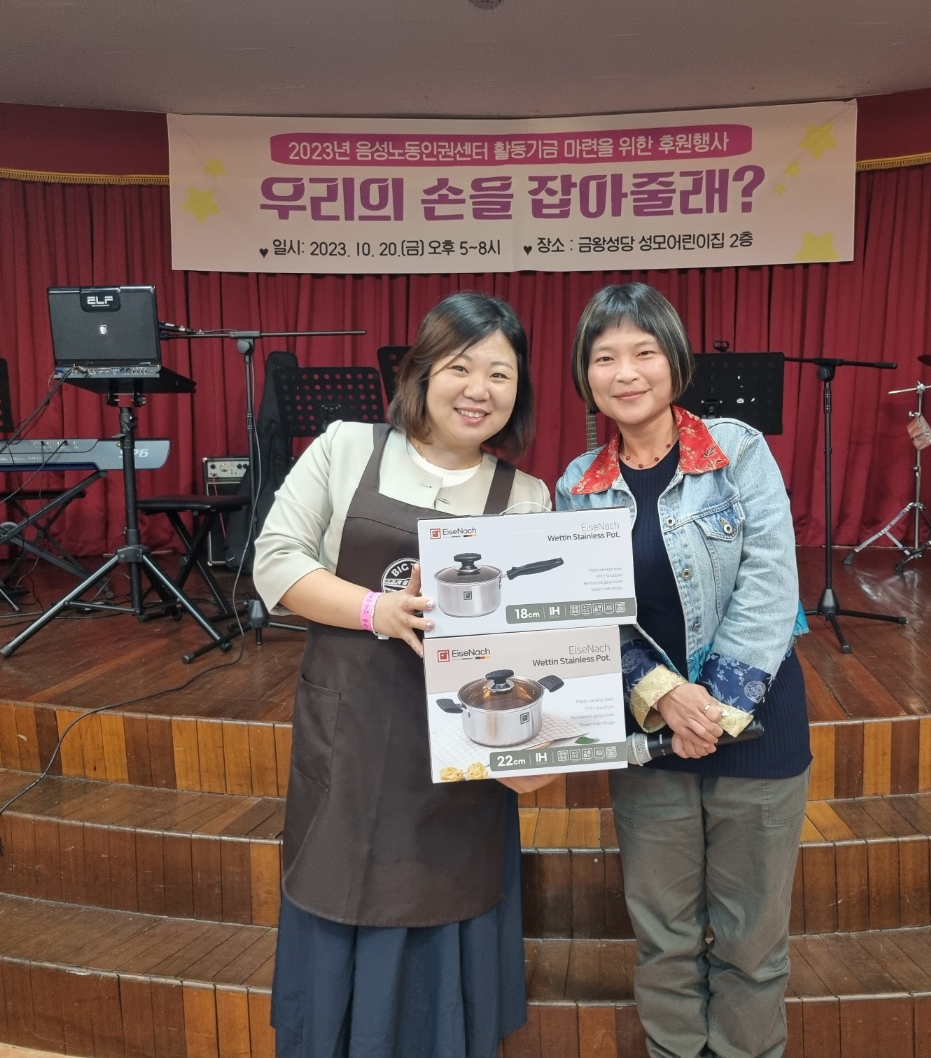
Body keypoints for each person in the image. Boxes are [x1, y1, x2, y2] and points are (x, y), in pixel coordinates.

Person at [253, 291, 555, 1058]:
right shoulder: (345, 448)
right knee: (337, 884)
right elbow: (276, 563)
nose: (478, 390)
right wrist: (376, 611)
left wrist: (546, 739)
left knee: (444, 898)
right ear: (420, 372)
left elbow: (534, 643)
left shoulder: (525, 497)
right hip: (350, 735)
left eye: (500, 374)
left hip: (457, 754)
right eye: (460, 367)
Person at [556, 283, 811, 1058]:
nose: (625, 372)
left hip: (758, 725)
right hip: (647, 734)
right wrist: (663, 695)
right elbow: (587, 616)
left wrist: (715, 708)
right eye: (604, 357)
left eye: (643, 352)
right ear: (585, 374)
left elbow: (771, 582)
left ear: (673, 360)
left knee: (751, 943)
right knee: (662, 940)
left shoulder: (736, 450)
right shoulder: (576, 485)